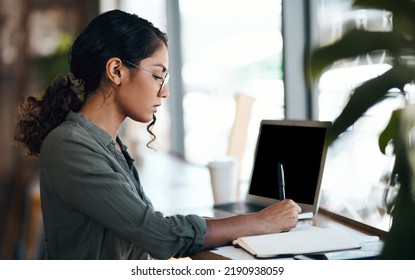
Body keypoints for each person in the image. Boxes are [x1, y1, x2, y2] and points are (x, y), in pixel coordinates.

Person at [14, 9, 301, 260]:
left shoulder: (108, 143)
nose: (164, 91)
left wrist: (244, 223)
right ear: (116, 70)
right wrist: (260, 222)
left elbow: (148, 230)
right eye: (156, 75)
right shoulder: (71, 145)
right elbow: (160, 236)